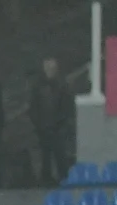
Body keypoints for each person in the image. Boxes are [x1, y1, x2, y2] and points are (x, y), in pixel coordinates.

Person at [31, 58, 75, 186]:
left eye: (52, 68)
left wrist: (62, 123)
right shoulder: (37, 86)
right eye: (47, 68)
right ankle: (46, 180)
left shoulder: (63, 85)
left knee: (60, 155)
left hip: (58, 127)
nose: (50, 70)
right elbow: (33, 107)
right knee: (45, 156)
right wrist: (38, 124)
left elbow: (67, 106)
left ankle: (64, 180)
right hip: (43, 127)